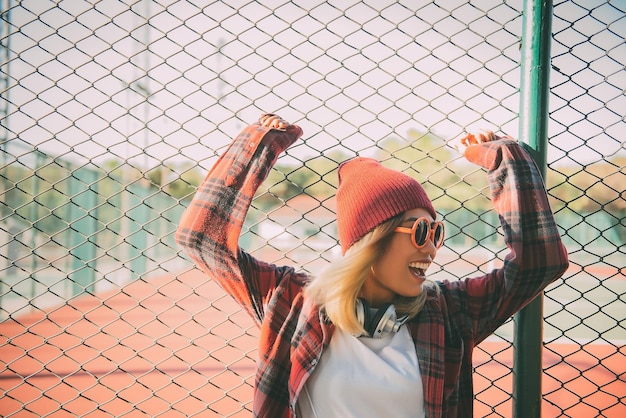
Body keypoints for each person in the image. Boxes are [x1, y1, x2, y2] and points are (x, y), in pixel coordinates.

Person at [176, 113, 569, 418]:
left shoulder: (448, 312)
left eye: (438, 232)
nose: (431, 248)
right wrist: (257, 149)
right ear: (372, 241)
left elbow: (539, 262)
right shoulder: (293, 302)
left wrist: (503, 161)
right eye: (420, 232)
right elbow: (201, 239)